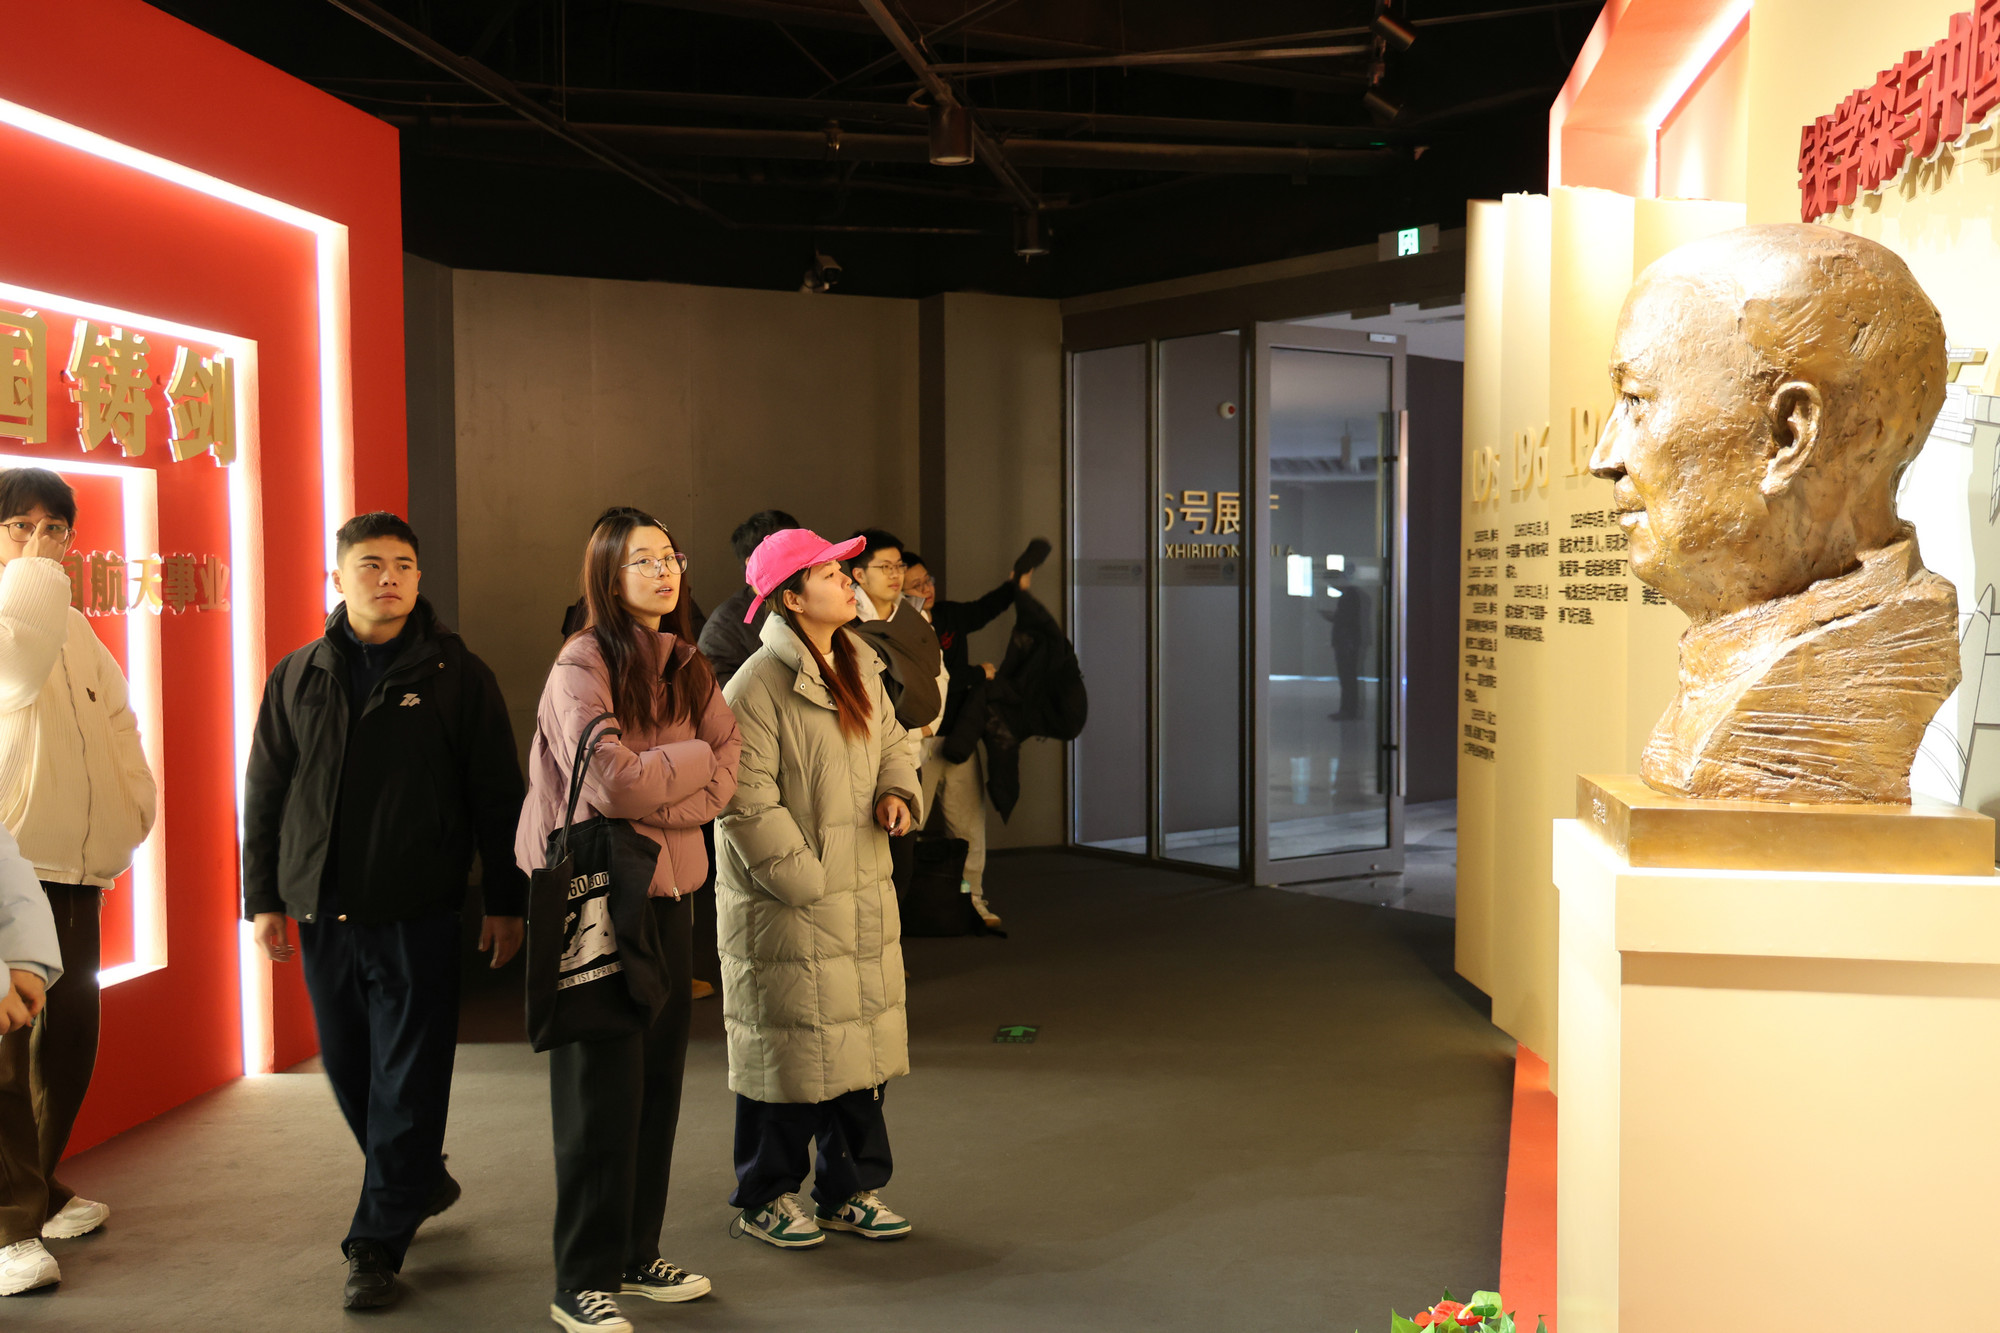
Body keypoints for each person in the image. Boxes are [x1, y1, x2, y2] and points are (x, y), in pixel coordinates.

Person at [243, 511, 528, 1311]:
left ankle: (375, 1241)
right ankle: (417, 1177)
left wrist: (506, 900)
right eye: (370, 564)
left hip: (419, 909)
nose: (389, 577)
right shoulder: (298, 673)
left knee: (410, 1074)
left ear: (418, 576)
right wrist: (263, 896)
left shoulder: (456, 673)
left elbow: (497, 793)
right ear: (337, 578)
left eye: (403, 563)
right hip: (322, 909)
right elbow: (265, 789)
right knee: (350, 1067)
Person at [1590, 223, 1958, 802]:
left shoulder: (1862, 668)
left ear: (1788, 436)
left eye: (1636, 401)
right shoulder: (1723, 666)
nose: (1603, 457)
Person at [517, 508, 739, 1333]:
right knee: (598, 1093)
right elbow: (611, 781)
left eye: (669, 555)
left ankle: (637, 1254)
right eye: (642, 559)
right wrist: (688, 767)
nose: (663, 570)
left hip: (672, 895)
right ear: (608, 575)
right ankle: (580, 1278)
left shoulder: (688, 662)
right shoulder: (582, 661)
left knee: (656, 1084)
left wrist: (665, 788)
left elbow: (732, 768)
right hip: (600, 896)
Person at [717, 530, 918, 1250]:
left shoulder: (858, 659)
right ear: (792, 597)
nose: (848, 581)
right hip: (794, 906)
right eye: (831, 574)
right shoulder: (755, 685)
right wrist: (811, 880)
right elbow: (744, 801)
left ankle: (848, 1190)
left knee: (859, 1053)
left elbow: (895, 742)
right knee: (788, 1057)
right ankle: (764, 1196)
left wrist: (897, 791)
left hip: (860, 892)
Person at [0, 468, 155, 1299]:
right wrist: (30, 575)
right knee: (3, 1053)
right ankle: (7, 1223)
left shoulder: (77, 626)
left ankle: (36, 1187)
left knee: (68, 1044)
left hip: (76, 871)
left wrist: (134, 805)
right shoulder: (20, 616)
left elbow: (119, 723)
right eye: (19, 525)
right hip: (10, 866)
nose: (39, 541)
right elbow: (16, 677)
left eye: (55, 528)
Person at [899, 545, 1043, 928]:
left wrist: (1014, 586)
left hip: (958, 739)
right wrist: (978, 673)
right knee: (905, 829)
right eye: (916, 584)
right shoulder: (897, 629)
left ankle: (972, 899)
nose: (926, 589)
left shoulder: (947, 616)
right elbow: (929, 684)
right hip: (915, 742)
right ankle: (896, 909)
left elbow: (983, 609)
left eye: (928, 580)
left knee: (967, 828)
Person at [698, 509, 800, 688]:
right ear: (752, 562)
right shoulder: (724, 626)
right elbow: (722, 694)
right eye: (785, 549)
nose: (800, 558)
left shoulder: (810, 601)